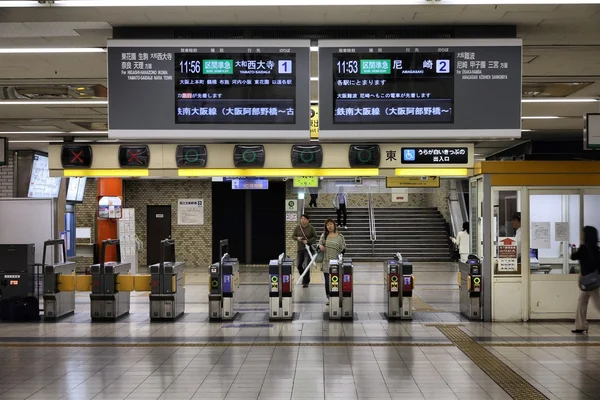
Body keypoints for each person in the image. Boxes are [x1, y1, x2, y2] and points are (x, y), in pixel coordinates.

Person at [571, 226, 600, 334]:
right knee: (582, 301)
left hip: (588, 281)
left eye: (583, 233)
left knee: (597, 303)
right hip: (593, 279)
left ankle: (581, 325)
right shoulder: (596, 249)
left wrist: (576, 250)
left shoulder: (584, 248)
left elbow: (573, 257)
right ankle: (581, 325)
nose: (581, 235)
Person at [318, 218, 346, 305]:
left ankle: (336, 296)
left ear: (334, 225)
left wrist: (340, 259)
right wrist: (320, 246)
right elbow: (319, 244)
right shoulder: (324, 235)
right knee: (327, 281)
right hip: (326, 262)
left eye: (331, 224)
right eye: (327, 225)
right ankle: (329, 297)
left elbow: (343, 249)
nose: (329, 226)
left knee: (335, 280)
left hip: (336, 263)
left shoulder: (340, 236)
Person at [291, 214, 317, 288]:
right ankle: (304, 276)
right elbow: (293, 236)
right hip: (300, 249)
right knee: (299, 265)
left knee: (306, 265)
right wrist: (297, 238)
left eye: (304, 219)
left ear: (308, 220)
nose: (303, 220)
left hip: (307, 250)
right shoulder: (297, 227)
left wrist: (308, 241)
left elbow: (315, 237)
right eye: (302, 218)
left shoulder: (311, 228)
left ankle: (306, 282)